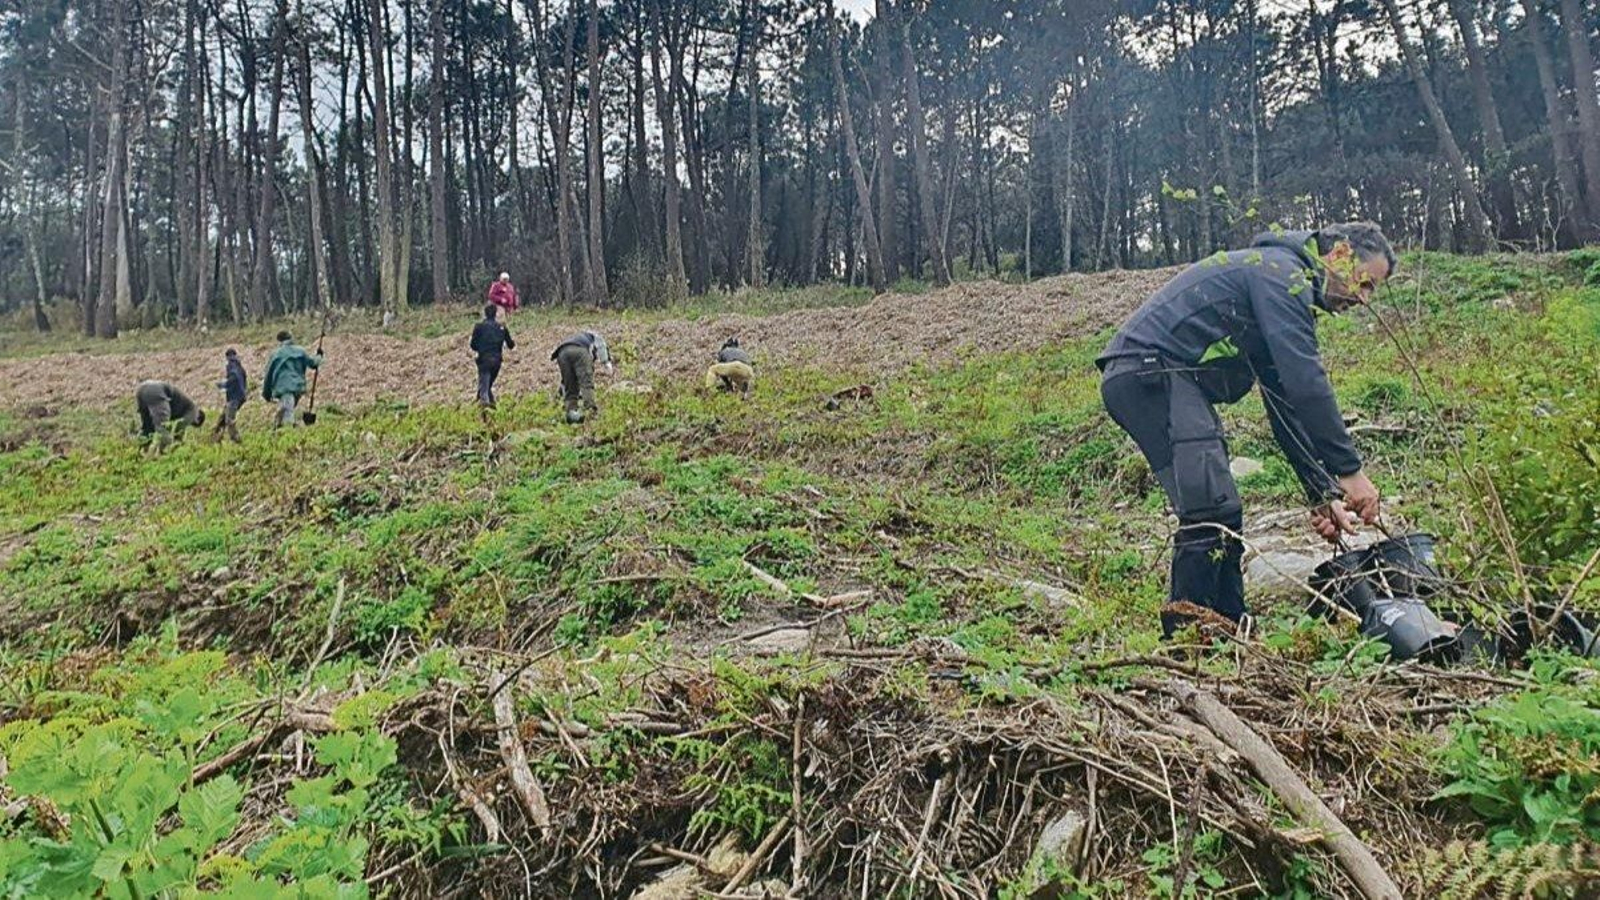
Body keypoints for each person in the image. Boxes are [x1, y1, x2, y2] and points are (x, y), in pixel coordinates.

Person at [1097, 222, 1394, 638]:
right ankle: (1187, 642)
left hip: (1158, 378)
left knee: (1219, 508)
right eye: (1365, 284)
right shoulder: (1280, 274)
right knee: (1210, 510)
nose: (1363, 299)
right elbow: (1306, 381)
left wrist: (1322, 492)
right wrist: (1351, 472)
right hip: (1150, 372)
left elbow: (1285, 401)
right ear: (1340, 254)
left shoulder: (1278, 280)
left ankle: (1230, 630)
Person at [263, 331, 322, 428]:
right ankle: (282, 426)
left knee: (287, 410)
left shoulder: (275, 354)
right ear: (291, 338)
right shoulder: (300, 351)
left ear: (279, 341)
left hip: (283, 388)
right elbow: (314, 363)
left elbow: (268, 375)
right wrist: (319, 355)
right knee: (288, 407)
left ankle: (286, 428)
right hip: (297, 387)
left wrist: (266, 394)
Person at [551, 330, 613, 423]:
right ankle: (591, 412)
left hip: (562, 353)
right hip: (579, 351)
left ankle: (571, 415)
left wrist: (559, 394)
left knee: (570, 387)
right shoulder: (595, 336)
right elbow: (601, 346)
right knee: (586, 383)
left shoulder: (578, 338)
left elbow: (566, 381)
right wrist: (606, 362)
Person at [135, 381, 205, 452]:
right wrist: (177, 445)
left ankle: (140, 453)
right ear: (198, 419)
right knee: (163, 427)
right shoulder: (193, 411)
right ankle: (162, 456)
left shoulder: (184, 407)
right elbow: (177, 430)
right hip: (156, 391)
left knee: (147, 427)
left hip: (142, 389)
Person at [470, 304, 516, 407]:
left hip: (484, 361)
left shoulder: (479, 327)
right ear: (495, 314)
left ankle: (485, 408)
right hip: (497, 362)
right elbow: (511, 345)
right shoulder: (501, 327)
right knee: (486, 386)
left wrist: (481, 348)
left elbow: (473, 345)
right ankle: (492, 406)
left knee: (484, 388)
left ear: (485, 314)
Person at [211, 348, 248, 443]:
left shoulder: (231, 365)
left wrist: (223, 385)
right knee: (222, 418)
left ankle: (237, 440)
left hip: (234, 397)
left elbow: (233, 378)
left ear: (227, 357)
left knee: (229, 420)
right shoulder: (240, 366)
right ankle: (215, 438)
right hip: (240, 396)